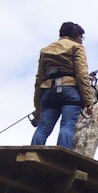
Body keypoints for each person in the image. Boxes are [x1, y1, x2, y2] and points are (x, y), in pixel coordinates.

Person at [31, 21, 94, 149]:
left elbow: (39, 79)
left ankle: (33, 152)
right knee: (67, 124)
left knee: (43, 127)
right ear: (75, 35)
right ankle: (62, 154)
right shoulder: (76, 47)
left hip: (49, 91)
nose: (81, 41)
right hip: (69, 90)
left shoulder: (46, 50)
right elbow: (82, 75)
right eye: (81, 37)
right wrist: (88, 101)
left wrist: (37, 107)